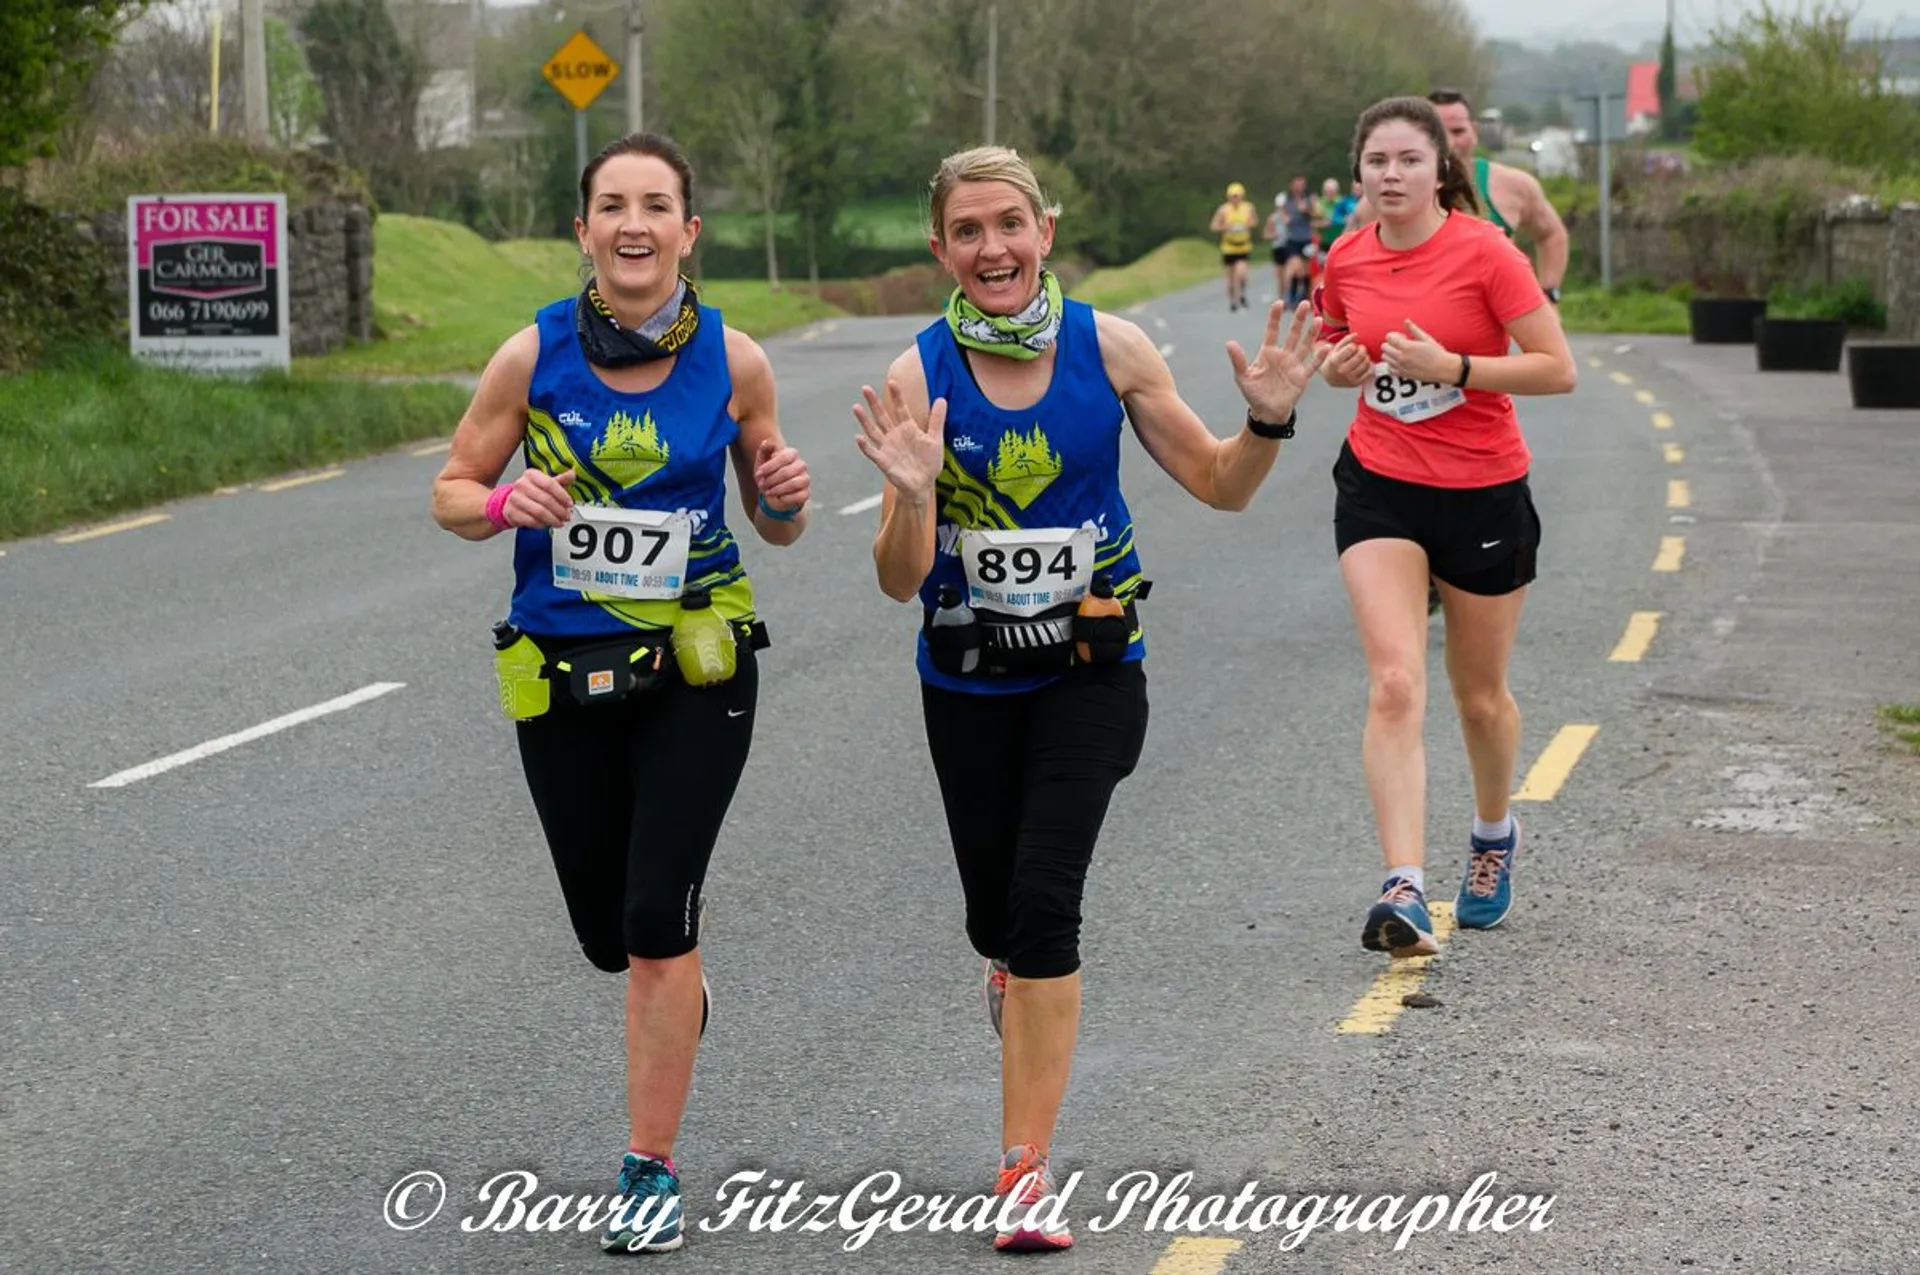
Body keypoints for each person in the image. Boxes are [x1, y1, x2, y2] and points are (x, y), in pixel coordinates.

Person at [851, 145, 1323, 1253]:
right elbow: (897, 578)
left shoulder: (1110, 349)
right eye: (967, 231)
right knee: (996, 919)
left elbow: (1218, 486)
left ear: (1045, 231)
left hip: (1092, 669)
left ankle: (1024, 1171)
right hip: (965, 679)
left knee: (1045, 899)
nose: (992, 248)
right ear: (940, 250)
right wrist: (912, 496)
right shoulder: (919, 377)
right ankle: (1009, 971)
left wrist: (1264, 423)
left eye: (1008, 224)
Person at [429, 132, 813, 1256]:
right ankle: (672, 992)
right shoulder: (531, 356)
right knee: (609, 937)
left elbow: (778, 518)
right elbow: (452, 489)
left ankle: (648, 1167)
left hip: (699, 662)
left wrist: (784, 496)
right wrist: (505, 509)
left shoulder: (738, 362)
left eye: (657, 205)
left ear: (690, 232)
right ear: (584, 230)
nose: (634, 224)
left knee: (656, 922)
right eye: (613, 205)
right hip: (560, 667)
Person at [1310, 97, 1576, 959]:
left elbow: (1557, 368)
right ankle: (1404, 886)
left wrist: (1455, 366)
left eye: (1407, 161)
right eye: (1376, 160)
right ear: (1359, 172)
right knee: (1394, 682)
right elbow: (1335, 341)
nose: (1390, 175)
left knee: (1479, 696)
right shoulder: (1346, 256)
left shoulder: (1486, 253)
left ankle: (1494, 836)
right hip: (1380, 483)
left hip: (1482, 491)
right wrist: (1338, 362)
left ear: (1440, 170)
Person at [1347, 89, 1569, 305]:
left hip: (1499, 333)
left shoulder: (1514, 186)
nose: (1450, 144)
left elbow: (1552, 234)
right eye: (1439, 134)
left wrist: (1549, 293)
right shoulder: (1387, 198)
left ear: (1475, 130)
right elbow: (1347, 262)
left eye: (1458, 131)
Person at [1263, 176, 1317, 308]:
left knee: (1305, 270)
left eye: (1302, 184)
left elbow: (1316, 215)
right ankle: (1291, 295)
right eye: (1297, 184)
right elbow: (1283, 217)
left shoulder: (1309, 199)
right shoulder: (1286, 200)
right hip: (1292, 238)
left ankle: (1304, 296)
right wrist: (1285, 217)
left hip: (1306, 237)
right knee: (1294, 266)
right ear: (1292, 185)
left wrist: (1307, 210)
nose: (1299, 187)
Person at [1208, 181, 1259, 311]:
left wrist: (1246, 225)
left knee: (1242, 273)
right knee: (1230, 277)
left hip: (1243, 245)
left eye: (1238, 196)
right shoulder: (1223, 210)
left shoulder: (1248, 207)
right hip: (1229, 247)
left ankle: (1242, 293)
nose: (1236, 199)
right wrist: (1226, 227)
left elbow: (1254, 221)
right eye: (1233, 196)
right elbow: (1213, 226)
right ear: (1229, 197)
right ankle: (1232, 301)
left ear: (1242, 196)